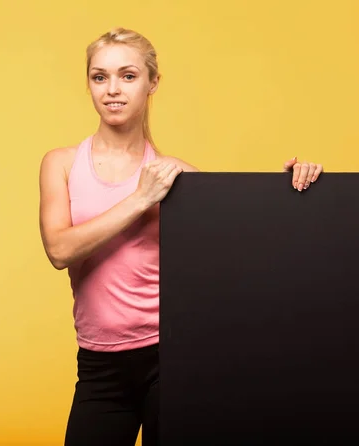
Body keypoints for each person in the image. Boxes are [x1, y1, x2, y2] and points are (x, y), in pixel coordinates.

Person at [38, 27, 324, 446]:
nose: (113, 90)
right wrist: (141, 199)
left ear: (153, 83)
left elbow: (254, 237)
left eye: (128, 76)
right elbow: (59, 249)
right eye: (100, 77)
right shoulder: (61, 164)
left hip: (171, 358)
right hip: (98, 365)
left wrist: (290, 188)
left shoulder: (178, 176)